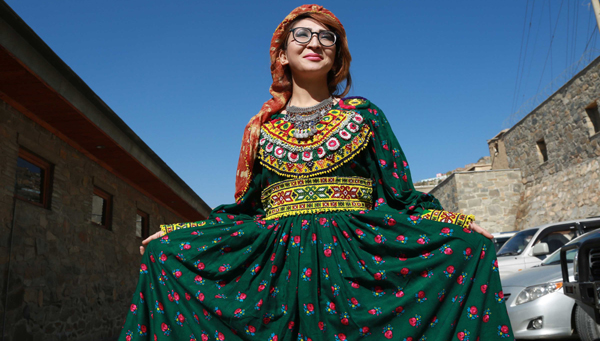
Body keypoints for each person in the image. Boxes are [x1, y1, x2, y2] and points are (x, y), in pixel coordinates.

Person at [120, 5, 514, 340]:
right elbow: (248, 209)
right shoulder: (261, 128)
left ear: (338, 56)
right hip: (277, 268)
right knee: (161, 254)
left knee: (472, 249)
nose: (314, 43)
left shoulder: (363, 115)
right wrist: (179, 235)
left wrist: (452, 222)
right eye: (302, 34)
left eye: (327, 38)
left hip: (357, 263)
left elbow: (400, 194)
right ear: (282, 54)